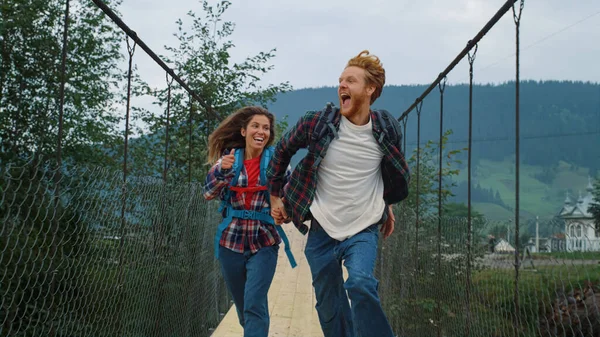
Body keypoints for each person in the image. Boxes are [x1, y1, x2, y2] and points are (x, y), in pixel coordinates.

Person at [266, 50, 410, 337]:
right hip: (321, 231)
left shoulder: (387, 128)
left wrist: (388, 204)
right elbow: (282, 150)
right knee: (329, 305)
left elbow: (389, 170)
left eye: (351, 81)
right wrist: (275, 196)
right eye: (341, 80)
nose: (342, 85)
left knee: (359, 283)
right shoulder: (317, 123)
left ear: (370, 89)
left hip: (363, 228)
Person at [202, 106, 294, 337]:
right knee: (244, 309)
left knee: (254, 304)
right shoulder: (228, 160)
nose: (260, 131)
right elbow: (207, 193)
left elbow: (291, 196)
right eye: (255, 126)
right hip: (230, 244)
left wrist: (286, 210)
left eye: (265, 127)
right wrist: (221, 173)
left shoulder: (279, 163)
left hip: (264, 242)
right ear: (244, 131)